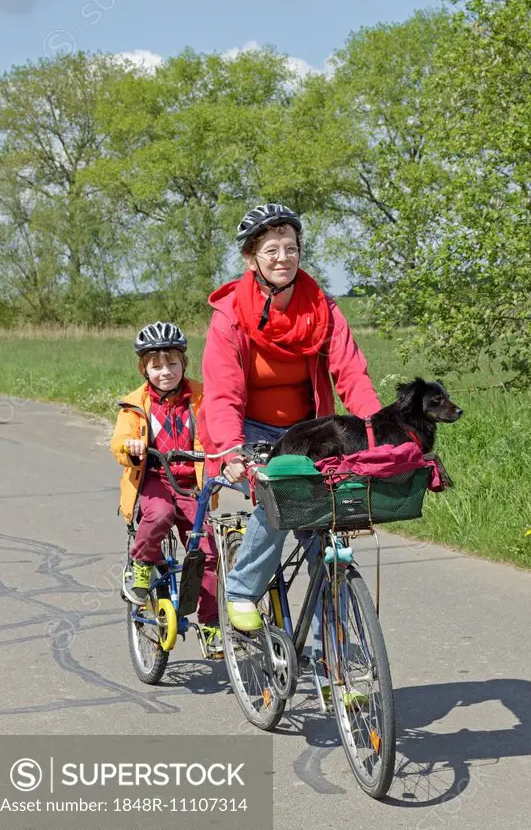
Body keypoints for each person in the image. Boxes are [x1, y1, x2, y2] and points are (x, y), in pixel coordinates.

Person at [198, 203, 381, 638]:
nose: (284, 258)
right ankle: (242, 590)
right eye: (272, 250)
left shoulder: (322, 309)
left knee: (329, 535)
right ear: (251, 259)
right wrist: (229, 451)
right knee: (278, 498)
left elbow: (352, 375)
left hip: (308, 432)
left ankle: (333, 665)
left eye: (291, 248)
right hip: (249, 433)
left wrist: (379, 433)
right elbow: (222, 392)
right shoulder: (230, 316)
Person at [110, 321, 221, 653]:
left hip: (192, 484)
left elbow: (218, 431)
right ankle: (142, 566)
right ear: (144, 368)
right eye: (156, 366)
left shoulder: (201, 397)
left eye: (172, 363)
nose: (165, 372)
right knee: (158, 515)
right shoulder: (135, 406)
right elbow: (119, 442)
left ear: (184, 363)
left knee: (208, 554)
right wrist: (130, 447)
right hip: (155, 479)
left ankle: (212, 624)